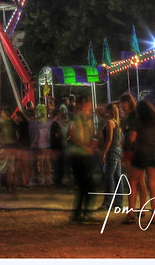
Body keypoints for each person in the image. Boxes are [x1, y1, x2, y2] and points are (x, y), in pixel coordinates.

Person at [124, 99, 155, 223]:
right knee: (153, 186)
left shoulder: (137, 121)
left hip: (141, 153)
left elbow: (132, 138)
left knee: (133, 182)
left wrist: (128, 139)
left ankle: (131, 213)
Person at [66, 93, 99, 223]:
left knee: (85, 185)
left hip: (83, 154)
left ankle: (80, 213)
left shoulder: (86, 118)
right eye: (89, 102)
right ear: (84, 103)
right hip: (79, 155)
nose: (91, 105)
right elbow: (73, 136)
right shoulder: (79, 118)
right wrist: (87, 146)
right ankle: (82, 213)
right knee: (87, 185)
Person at [99, 102, 123, 208]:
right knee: (117, 176)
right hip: (117, 150)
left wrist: (104, 152)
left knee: (110, 177)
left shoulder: (109, 122)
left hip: (112, 150)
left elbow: (109, 139)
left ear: (109, 111)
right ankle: (118, 202)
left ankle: (107, 202)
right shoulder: (116, 122)